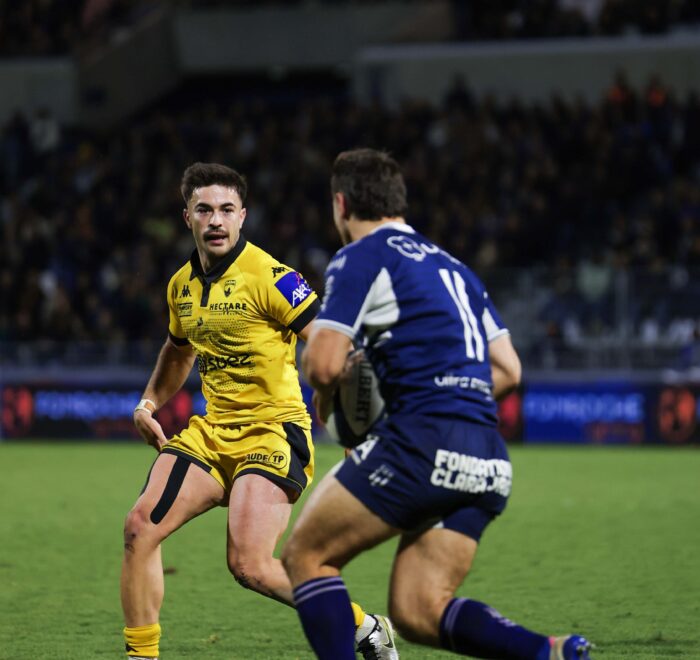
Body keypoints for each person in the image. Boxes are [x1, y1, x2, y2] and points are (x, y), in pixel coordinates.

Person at [281, 148, 593, 660]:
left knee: (307, 556)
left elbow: (324, 365)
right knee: (418, 610)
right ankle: (549, 652)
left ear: (341, 204)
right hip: (486, 457)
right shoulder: (456, 268)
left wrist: (339, 389)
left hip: (420, 444)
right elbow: (509, 370)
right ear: (398, 201)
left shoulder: (360, 256)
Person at [121, 162, 398, 660]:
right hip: (212, 433)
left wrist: (354, 413)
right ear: (187, 217)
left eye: (226, 209)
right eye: (204, 209)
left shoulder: (272, 277)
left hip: (274, 432)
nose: (216, 220)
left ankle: (362, 625)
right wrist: (148, 403)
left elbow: (332, 343)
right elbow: (178, 352)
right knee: (140, 529)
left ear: (242, 216)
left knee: (250, 566)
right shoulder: (181, 285)